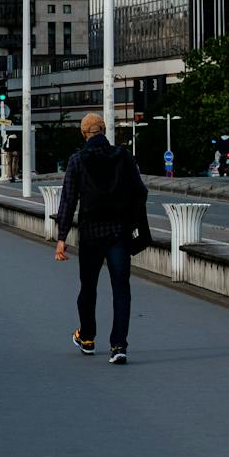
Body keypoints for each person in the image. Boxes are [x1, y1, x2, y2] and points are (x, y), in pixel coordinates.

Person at [53, 113, 152, 365]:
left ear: (83, 133)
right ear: (104, 130)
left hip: (91, 234)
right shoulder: (123, 156)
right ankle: (118, 346)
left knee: (88, 287)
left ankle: (87, 338)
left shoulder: (77, 160)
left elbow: (68, 199)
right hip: (119, 232)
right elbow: (140, 191)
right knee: (121, 289)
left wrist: (62, 237)